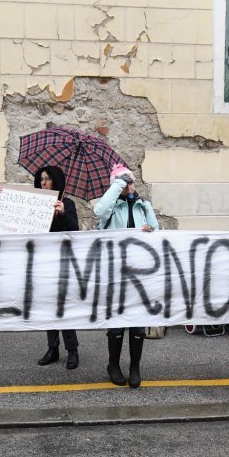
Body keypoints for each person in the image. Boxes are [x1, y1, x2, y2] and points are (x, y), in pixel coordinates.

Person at [93, 164, 159, 388]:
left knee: (138, 322)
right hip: (116, 274)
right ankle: (113, 364)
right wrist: (119, 182)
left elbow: (156, 230)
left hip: (140, 275)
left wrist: (150, 229)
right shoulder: (111, 209)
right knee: (117, 322)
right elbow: (99, 211)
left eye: (131, 181)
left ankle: (135, 366)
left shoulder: (143, 205)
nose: (131, 185)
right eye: (126, 182)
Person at [32, 166, 81, 369]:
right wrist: (3, 198)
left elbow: (76, 230)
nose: (43, 183)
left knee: (63, 308)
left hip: (61, 264)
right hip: (43, 263)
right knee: (48, 308)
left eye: (48, 179)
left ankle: (72, 351)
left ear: (56, 182)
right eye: (41, 179)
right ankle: (52, 349)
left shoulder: (67, 203)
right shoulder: (35, 205)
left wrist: (63, 214)